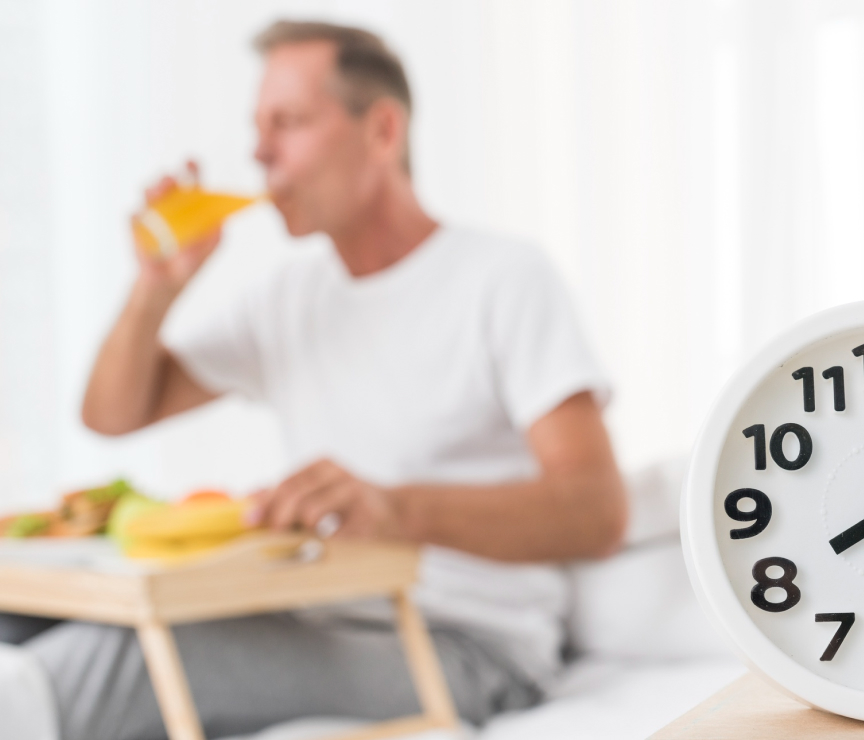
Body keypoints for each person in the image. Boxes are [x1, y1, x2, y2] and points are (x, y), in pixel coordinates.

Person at [0, 20, 625, 740]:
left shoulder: (503, 279)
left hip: (466, 644)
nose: (260, 152)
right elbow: (113, 412)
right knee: (27, 613)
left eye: (289, 123)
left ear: (382, 131)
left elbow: (596, 510)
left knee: (130, 658)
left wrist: (394, 510)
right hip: (315, 610)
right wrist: (156, 288)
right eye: (258, 128)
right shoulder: (289, 299)